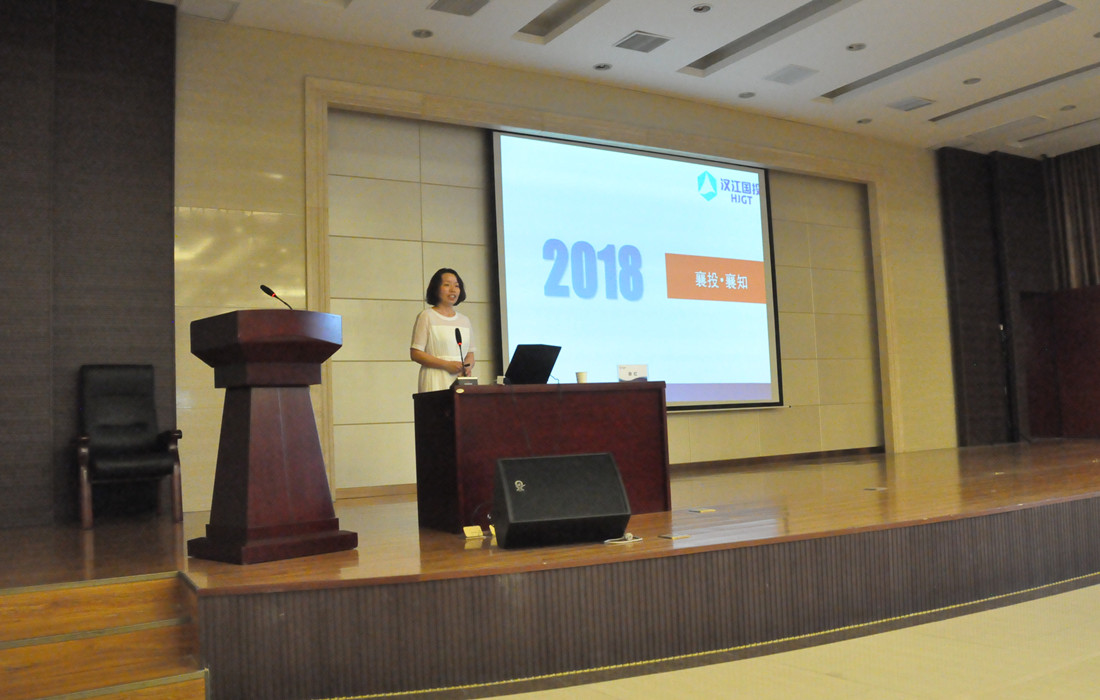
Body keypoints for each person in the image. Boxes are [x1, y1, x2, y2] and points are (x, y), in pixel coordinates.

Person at [410, 268, 476, 393]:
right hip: (435, 377)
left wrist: (467, 367)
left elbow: (470, 354)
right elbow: (416, 353)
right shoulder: (427, 316)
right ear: (436, 288)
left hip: (460, 380)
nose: (453, 290)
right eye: (447, 285)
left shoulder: (464, 320)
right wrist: (446, 365)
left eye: (456, 286)